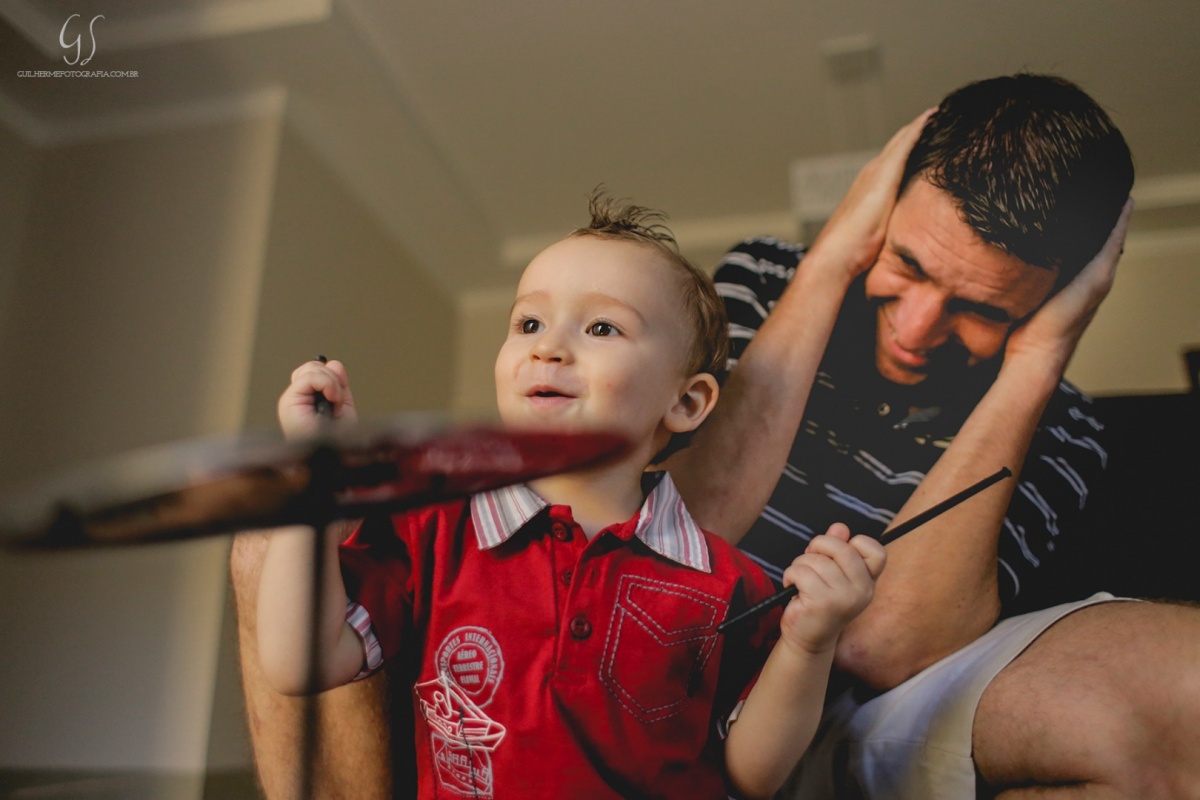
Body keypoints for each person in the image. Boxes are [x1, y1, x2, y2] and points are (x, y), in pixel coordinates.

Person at [666, 73, 1200, 798]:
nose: (915, 331)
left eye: (982, 308)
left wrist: (1038, 362)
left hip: (853, 727)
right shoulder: (765, 278)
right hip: (666, 679)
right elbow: (683, 530)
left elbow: (884, 648)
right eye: (907, 264)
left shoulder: (1067, 427)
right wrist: (833, 259)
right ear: (880, 206)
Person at [249, 194, 886, 799]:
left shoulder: (726, 583)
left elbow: (752, 776)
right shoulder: (433, 529)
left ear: (687, 402)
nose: (548, 347)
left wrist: (809, 643)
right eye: (529, 322)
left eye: (602, 327)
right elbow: (299, 661)